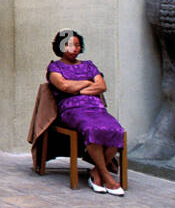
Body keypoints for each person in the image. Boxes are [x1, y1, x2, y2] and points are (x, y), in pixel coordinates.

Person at [46, 29, 126, 195]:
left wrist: (78, 89)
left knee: (116, 130)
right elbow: (64, 87)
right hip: (71, 109)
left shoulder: (89, 65)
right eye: (69, 45)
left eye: (77, 45)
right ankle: (107, 178)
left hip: (96, 107)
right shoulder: (55, 67)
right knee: (91, 128)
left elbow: (101, 86)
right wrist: (87, 82)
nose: (74, 48)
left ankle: (96, 172)